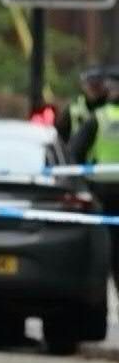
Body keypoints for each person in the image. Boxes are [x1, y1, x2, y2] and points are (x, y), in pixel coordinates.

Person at [66, 65, 119, 298]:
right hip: (100, 194)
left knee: (102, 253)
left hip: (100, 190)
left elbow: (72, 154)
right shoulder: (95, 115)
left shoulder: (100, 118)